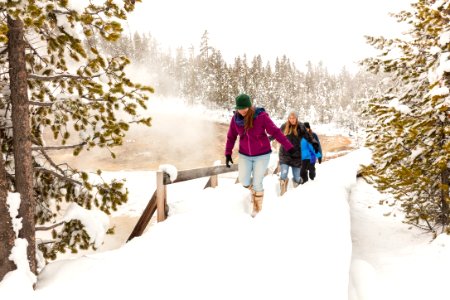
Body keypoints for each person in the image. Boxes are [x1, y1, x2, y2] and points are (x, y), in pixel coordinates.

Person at [225, 94, 294, 217]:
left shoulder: (261, 116)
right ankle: (255, 191)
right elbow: (231, 136)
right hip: (244, 154)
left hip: (262, 154)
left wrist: (288, 146)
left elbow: (275, 132)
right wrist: (228, 153)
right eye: (240, 108)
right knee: (243, 180)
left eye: (245, 108)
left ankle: (257, 209)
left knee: (257, 182)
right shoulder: (235, 120)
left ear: (250, 106)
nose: (242, 111)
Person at [277, 111, 306, 195]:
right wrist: (267, 139)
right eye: (290, 118)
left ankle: (298, 191)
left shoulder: (301, 127)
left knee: (297, 178)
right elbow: (277, 134)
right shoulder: (284, 126)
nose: (292, 120)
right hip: (285, 154)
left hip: (297, 156)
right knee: (284, 173)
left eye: (293, 118)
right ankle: (283, 192)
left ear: (296, 118)